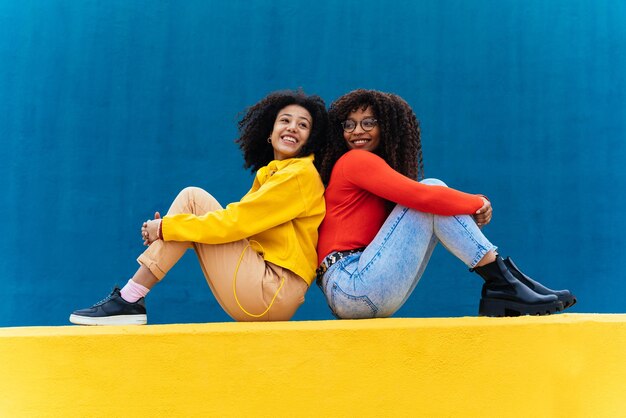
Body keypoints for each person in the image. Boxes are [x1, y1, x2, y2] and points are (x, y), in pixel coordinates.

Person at [70, 90, 328, 325]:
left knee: (193, 199)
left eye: (303, 125)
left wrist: (168, 228)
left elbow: (234, 223)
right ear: (269, 133)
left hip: (270, 290)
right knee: (189, 217)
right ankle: (129, 299)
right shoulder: (276, 175)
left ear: (310, 139)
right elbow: (234, 228)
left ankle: (129, 300)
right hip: (266, 290)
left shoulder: (299, 175)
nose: (292, 128)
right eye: (285, 120)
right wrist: (173, 231)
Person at [316, 89, 575, 318]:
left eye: (368, 122)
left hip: (361, 289)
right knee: (432, 189)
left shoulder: (373, 170)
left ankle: (506, 281)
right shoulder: (354, 162)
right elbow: (424, 197)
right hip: (351, 284)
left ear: (386, 127)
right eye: (348, 125)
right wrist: (479, 202)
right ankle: (503, 282)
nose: (357, 131)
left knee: (433, 199)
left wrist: (463, 206)